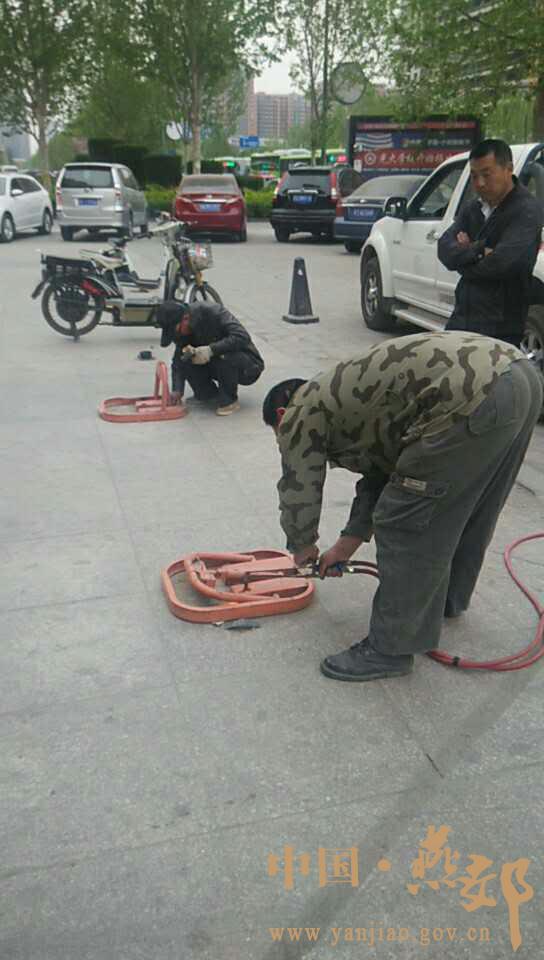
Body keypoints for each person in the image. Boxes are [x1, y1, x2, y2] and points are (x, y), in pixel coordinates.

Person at [262, 332, 542, 683]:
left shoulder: (300, 410)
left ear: (281, 414)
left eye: (279, 432)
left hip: (471, 393)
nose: (284, 438)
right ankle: (446, 600)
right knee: (469, 504)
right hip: (517, 374)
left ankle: (390, 649)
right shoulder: (346, 398)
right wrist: (344, 546)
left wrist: (302, 547)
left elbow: (299, 485)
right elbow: (382, 474)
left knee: (403, 520)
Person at [438, 138, 543, 347]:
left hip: (500, 326)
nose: (480, 183)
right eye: (474, 176)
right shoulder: (473, 208)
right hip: (462, 317)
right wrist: (479, 250)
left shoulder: (526, 210)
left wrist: (462, 259)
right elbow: (444, 249)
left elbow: (501, 264)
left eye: (487, 174)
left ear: (508, 169)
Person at [157, 300, 264, 415]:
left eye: (177, 330)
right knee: (187, 356)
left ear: (186, 318)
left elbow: (242, 336)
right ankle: (208, 395)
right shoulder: (180, 331)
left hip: (247, 365)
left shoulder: (213, 311)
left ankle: (229, 401)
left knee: (224, 357)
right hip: (216, 363)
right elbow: (179, 360)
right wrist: (177, 390)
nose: (177, 335)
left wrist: (211, 350)